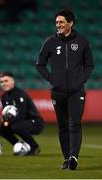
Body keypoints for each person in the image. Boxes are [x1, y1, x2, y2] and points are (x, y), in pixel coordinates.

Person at [36, 9, 94, 170]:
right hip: (58, 92)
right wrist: (51, 78)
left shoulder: (83, 41)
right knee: (63, 126)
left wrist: (80, 80)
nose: (58, 25)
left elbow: (90, 65)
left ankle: (74, 158)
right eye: (56, 22)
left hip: (77, 91)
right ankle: (67, 157)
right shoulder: (50, 42)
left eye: (61, 22)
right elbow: (39, 64)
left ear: (71, 23)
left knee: (74, 123)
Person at [0, 71, 44, 155]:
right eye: (1, 82)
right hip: (19, 122)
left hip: (35, 122)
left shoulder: (20, 94)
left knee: (16, 126)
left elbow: (21, 115)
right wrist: (2, 120)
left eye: (6, 81)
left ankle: (34, 147)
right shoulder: (3, 97)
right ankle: (20, 146)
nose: (3, 83)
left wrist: (6, 121)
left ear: (13, 81)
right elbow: (8, 115)